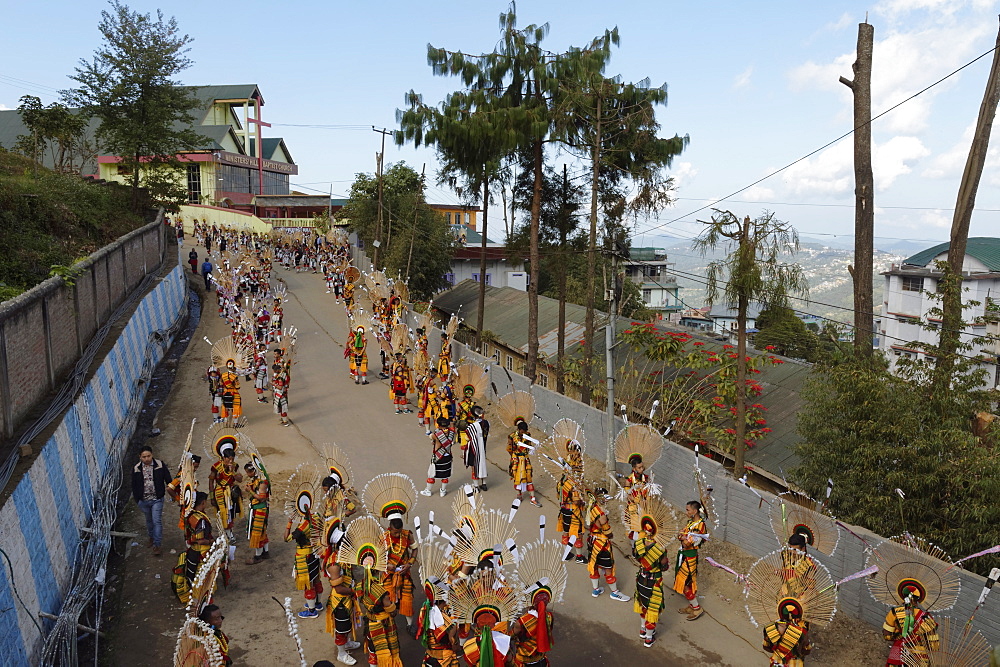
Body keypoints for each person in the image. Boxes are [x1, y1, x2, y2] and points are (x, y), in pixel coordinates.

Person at [586, 487, 630, 602]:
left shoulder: (592, 508)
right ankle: (615, 593)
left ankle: (596, 589)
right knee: (608, 568)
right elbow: (608, 533)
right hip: (602, 544)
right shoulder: (602, 515)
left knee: (594, 565)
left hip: (592, 541)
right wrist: (610, 534)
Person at [882, 585, 939, 666]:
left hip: (899, 654)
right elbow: (934, 646)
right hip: (919, 658)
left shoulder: (894, 612)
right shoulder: (927, 617)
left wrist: (898, 637)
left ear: (902, 596)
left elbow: (887, 636)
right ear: (919, 598)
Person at [131, 445, 171, 556]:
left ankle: (157, 545)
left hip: (156, 499)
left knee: (156, 521)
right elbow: (134, 485)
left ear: (152, 455)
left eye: (148, 456)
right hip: (143, 501)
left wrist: (172, 490)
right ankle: (151, 537)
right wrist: (137, 500)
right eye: (144, 457)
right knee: (149, 521)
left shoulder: (160, 465)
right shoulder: (136, 469)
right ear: (140, 457)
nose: (146, 459)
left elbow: (168, 480)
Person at [634, 531, 671, 648]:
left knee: (642, 604)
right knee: (652, 609)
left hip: (641, 578)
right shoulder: (660, 548)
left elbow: (636, 556)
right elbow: (664, 566)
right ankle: (649, 638)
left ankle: (643, 630)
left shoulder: (639, 543)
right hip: (653, 582)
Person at [383, 514, 418, 635]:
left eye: (399, 532)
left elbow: (414, 550)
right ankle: (390, 625)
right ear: (389, 528)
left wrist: (409, 564)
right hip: (388, 574)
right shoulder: (383, 538)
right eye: (395, 532)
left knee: (407, 599)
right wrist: (387, 565)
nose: (397, 534)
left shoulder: (408, 534)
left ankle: (410, 625)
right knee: (388, 599)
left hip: (404, 573)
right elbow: (377, 557)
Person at [285, 516, 325, 619]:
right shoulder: (316, 518)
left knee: (308, 583)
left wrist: (289, 523)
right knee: (316, 578)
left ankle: (312, 611)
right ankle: (317, 603)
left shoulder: (303, 526)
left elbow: (286, 538)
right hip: (313, 554)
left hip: (304, 557)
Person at [675, 500, 707, 621]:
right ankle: (692, 606)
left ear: (695, 511)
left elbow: (687, 543)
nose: (686, 512)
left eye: (688, 510)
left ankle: (697, 608)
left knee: (684, 583)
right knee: (686, 583)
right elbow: (680, 535)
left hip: (689, 557)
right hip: (684, 555)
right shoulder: (691, 523)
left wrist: (684, 537)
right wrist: (683, 537)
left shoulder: (700, 526)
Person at [325, 560, 361, 665]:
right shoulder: (334, 566)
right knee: (341, 628)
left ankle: (346, 643)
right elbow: (339, 589)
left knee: (348, 624)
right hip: (340, 602)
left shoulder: (342, 559)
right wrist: (355, 591)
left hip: (347, 599)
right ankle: (341, 654)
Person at [512, 586, 554, 667]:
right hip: (541, 659)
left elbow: (511, 635)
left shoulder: (522, 621)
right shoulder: (549, 617)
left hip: (524, 661)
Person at [763, 601, 812, 667]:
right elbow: (807, 650)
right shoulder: (802, 632)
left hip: (777, 663)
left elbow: (766, 646)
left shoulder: (770, 628)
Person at [208, 448, 243, 541]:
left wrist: (233, 472)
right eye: (229, 459)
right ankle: (227, 533)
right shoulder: (216, 467)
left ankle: (229, 531)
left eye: (232, 459)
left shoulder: (235, 466)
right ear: (224, 457)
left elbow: (240, 479)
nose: (231, 461)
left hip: (231, 491)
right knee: (223, 512)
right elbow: (211, 481)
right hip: (220, 492)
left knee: (231, 512)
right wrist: (211, 497)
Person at [506, 419, 540, 507]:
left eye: (525, 431)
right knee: (517, 476)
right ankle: (519, 495)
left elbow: (529, 445)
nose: (524, 432)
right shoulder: (512, 436)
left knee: (529, 475)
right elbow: (509, 448)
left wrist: (531, 450)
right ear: (519, 429)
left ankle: (532, 498)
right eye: (522, 431)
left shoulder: (528, 435)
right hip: (516, 458)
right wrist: (514, 457)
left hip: (525, 458)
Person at [244, 462, 270, 565]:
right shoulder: (258, 480)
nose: (247, 475)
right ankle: (265, 552)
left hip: (260, 510)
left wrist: (250, 491)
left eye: (248, 472)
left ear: (253, 471)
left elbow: (262, 498)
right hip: (258, 509)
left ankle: (258, 556)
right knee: (262, 531)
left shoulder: (262, 483)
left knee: (257, 532)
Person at [421, 417, 454, 497]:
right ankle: (443, 491)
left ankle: (428, 491)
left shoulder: (436, 435)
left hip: (438, 457)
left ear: (438, 425)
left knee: (431, 475)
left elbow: (431, 437)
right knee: (445, 475)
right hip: (448, 456)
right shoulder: (452, 433)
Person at [463, 406, 489, 492]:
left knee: (474, 467)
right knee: (482, 464)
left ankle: (476, 486)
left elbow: (467, 438)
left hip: (473, 449)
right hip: (483, 447)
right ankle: (484, 484)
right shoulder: (487, 423)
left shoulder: (472, 426)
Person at [219, 359, 243, 425]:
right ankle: (235, 423)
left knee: (225, 407)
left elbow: (221, 384)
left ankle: (225, 422)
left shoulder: (223, 375)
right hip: (234, 393)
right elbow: (238, 387)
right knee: (235, 407)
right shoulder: (234, 377)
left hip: (225, 392)